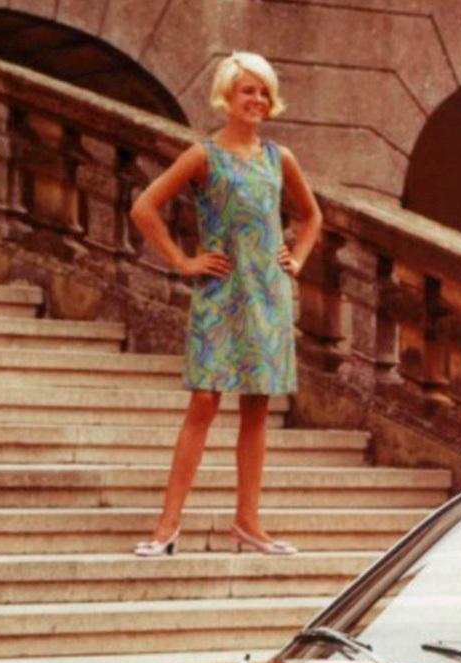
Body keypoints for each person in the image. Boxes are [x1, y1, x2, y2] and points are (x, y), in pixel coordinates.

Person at [128, 51, 323, 557]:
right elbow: (144, 207)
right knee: (204, 402)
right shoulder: (204, 156)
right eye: (247, 90)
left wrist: (297, 259)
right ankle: (167, 526)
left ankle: (248, 523)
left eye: (263, 91)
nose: (257, 99)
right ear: (227, 97)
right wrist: (183, 261)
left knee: (257, 406)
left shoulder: (280, 158)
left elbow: (312, 216)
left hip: (268, 294)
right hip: (219, 291)